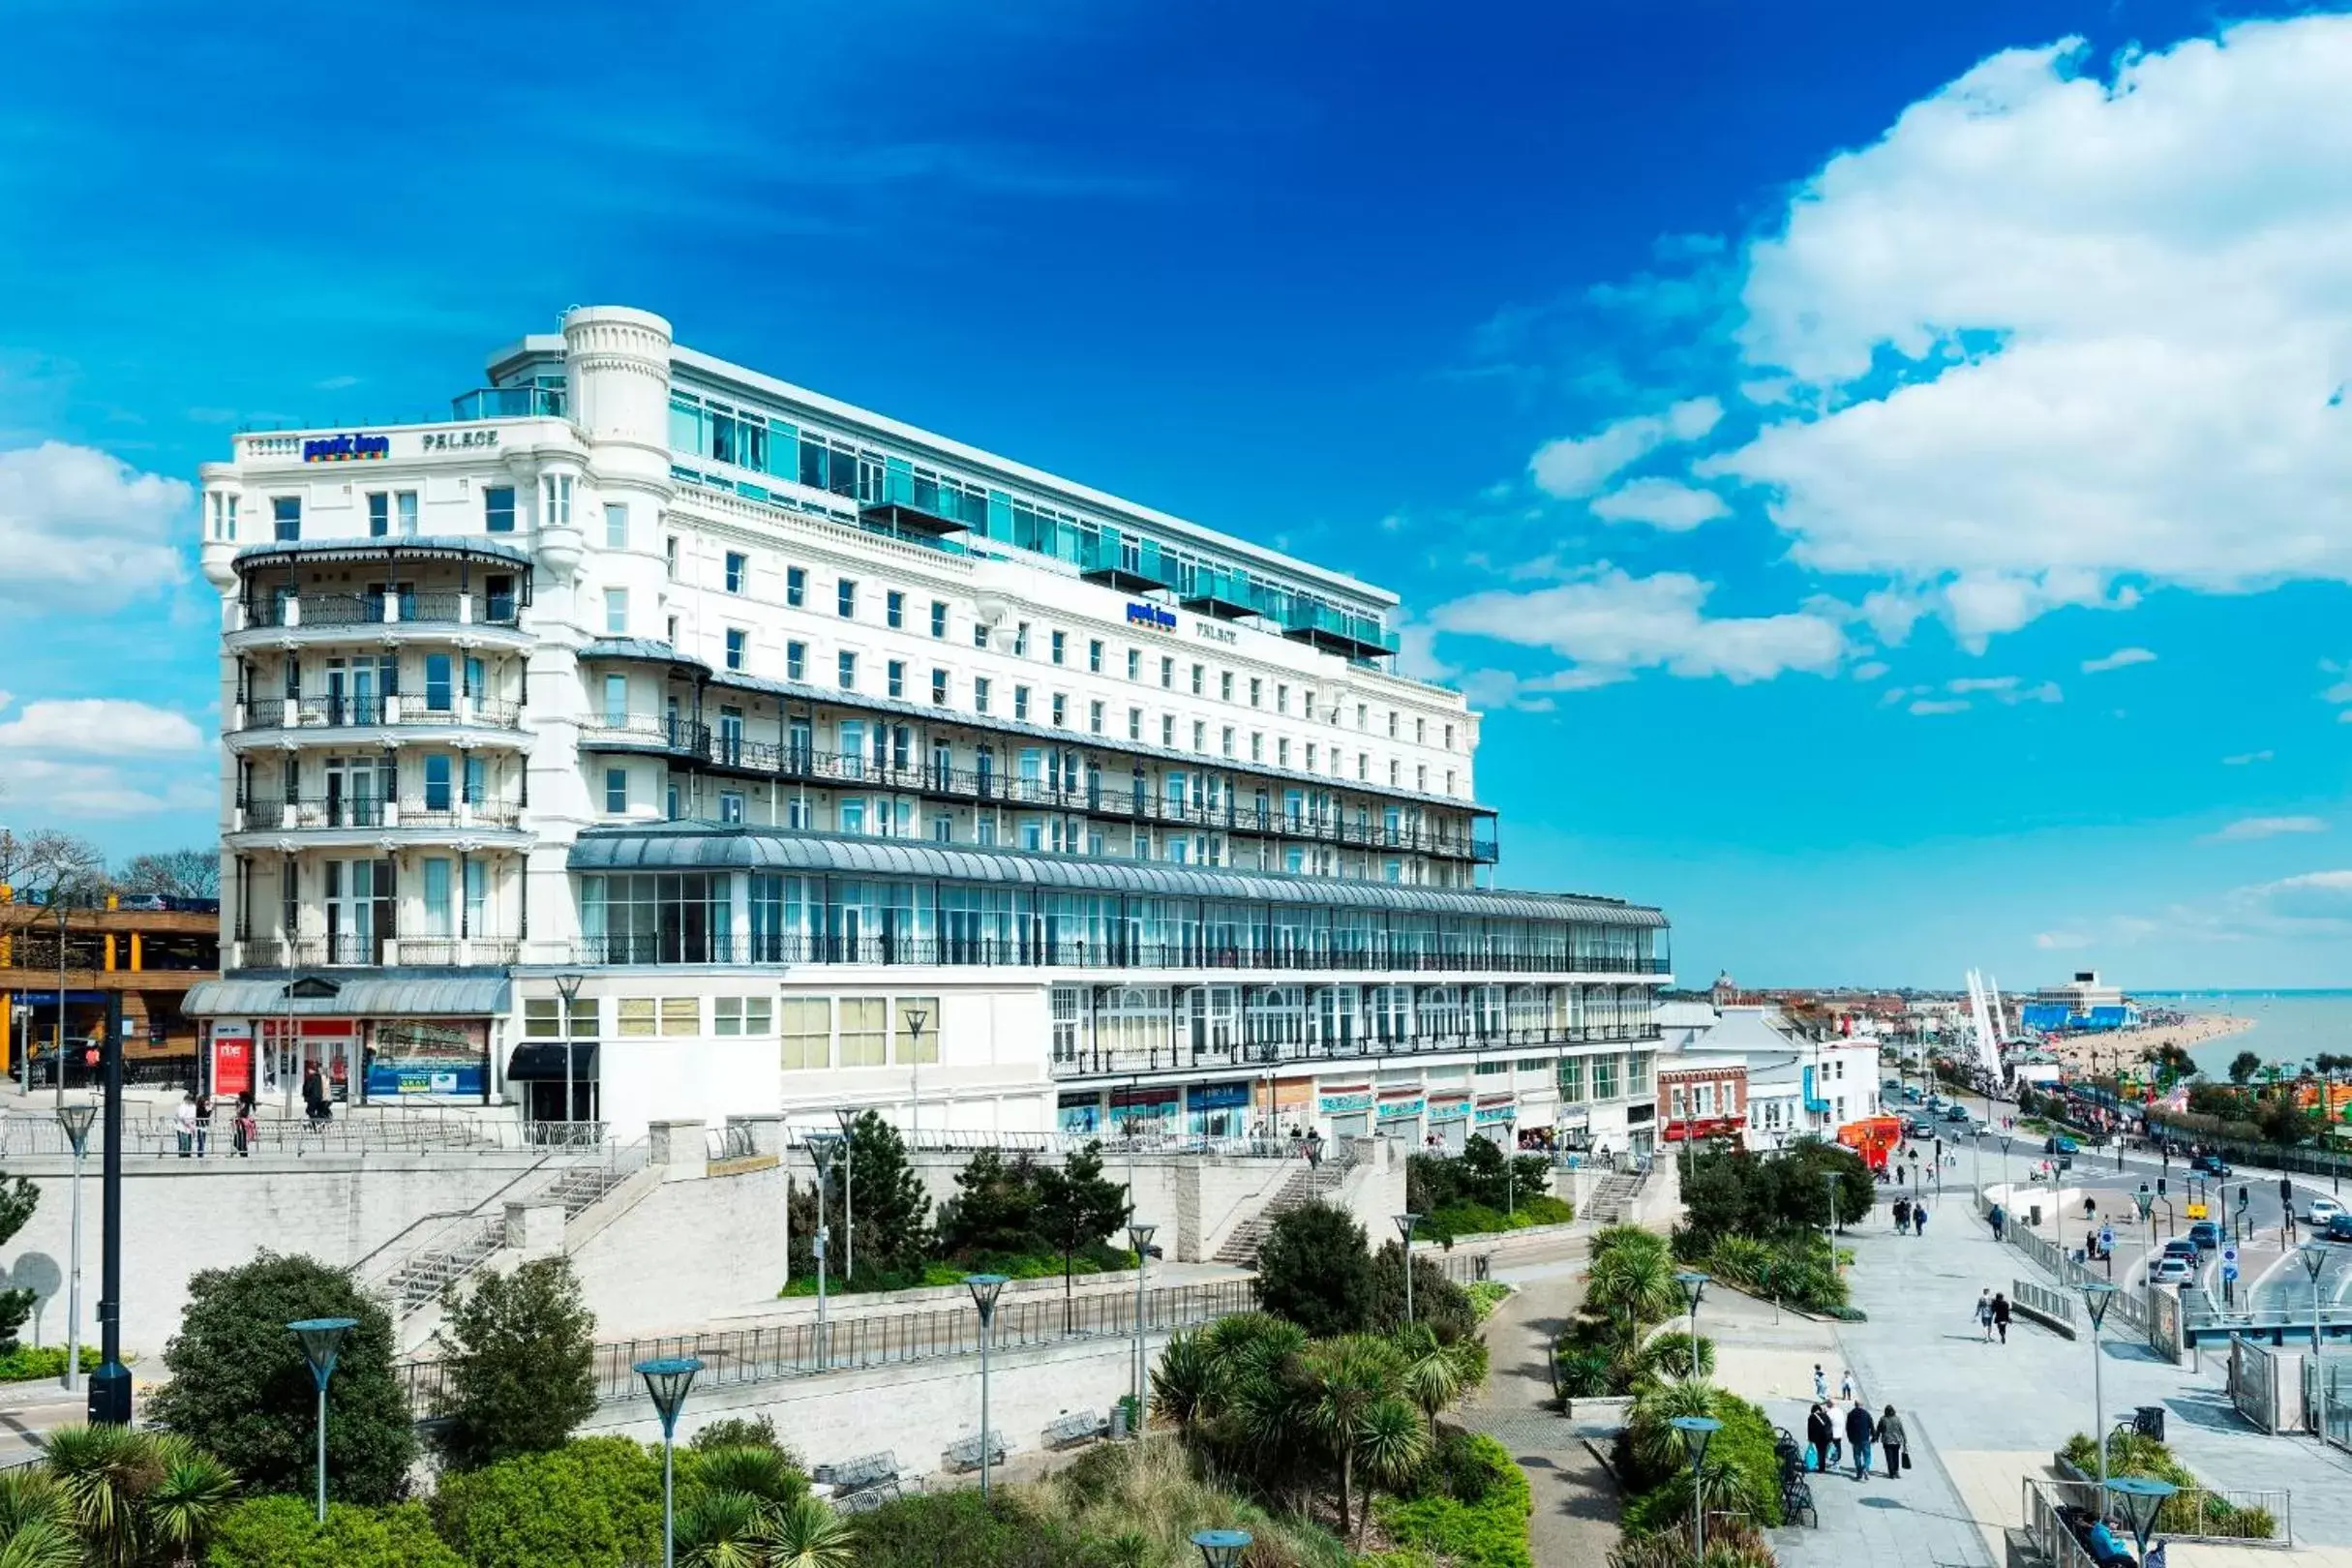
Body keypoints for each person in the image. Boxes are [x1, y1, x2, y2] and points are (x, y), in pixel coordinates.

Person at [1845, 1400, 1877, 1481]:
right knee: (1867, 1455)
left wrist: (1849, 1438)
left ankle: (1859, 1472)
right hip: (1865, 1438)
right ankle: (1865, 1468)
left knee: (1857, 1455)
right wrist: (1874, 1437)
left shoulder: (1850, 1414)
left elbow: (1848, 1428)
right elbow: (1871, 1426)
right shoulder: (1866, 1414)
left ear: (1855, 1405)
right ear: (1862, 1405)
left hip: (1855, 1439)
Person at [1806, 1401, 1835, 1475]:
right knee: (1823, 1451)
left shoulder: (1811, 1417)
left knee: (1819, 1451)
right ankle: (1822, 1467)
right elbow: (1830, 1426)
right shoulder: (1826, 1416)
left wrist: (1810, 1439)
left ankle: (1820, 1467)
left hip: (1817, 1438)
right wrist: (1831, 1438)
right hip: (1826, 1437)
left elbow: (1810, 1429)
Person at [1879, 1404, 1908, 1478]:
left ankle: (1891, 1473)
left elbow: (1879, 1429)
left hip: (1887, 1441)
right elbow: (1902, 1430)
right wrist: (1904, 1440)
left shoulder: (1883, 1419)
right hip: (1896, 1441)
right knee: (1896, 1456)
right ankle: (1896, 1471)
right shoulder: (1897, 1419)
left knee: (1889, 1457)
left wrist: (1876, 1436)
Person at [301, 1062, 328, 1127]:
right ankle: (317, 1126)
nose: (308, 1071)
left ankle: (318, 1121)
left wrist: (305, 1094)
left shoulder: (311, 1077)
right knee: (319, 1112)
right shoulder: (319, 1077)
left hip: (312, 1097)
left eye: (309, 1070)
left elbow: (308, 1088)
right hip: (320, 1097)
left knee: (309, 1111)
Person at [174, 1091, 197, 1157]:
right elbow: (181, 1117)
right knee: (183, 1144)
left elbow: (194, 1117)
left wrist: (192, 1127)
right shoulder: (183, 1106)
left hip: (190, 1128)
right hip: (182, 1128)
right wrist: (188, 1125)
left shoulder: (193, 1107)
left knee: (189, 1144)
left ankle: (188, 1156)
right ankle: (182, 1157)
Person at [193, 1092, 213, 1158]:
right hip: (202, 1126)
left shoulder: (196, 1107)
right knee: (202, 1140)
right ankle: (200, 1153)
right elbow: (206, 1116)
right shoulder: (201, 1108)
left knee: (200, 1140)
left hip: (199, 1126)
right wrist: (210, 1111)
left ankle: (200, 1153)